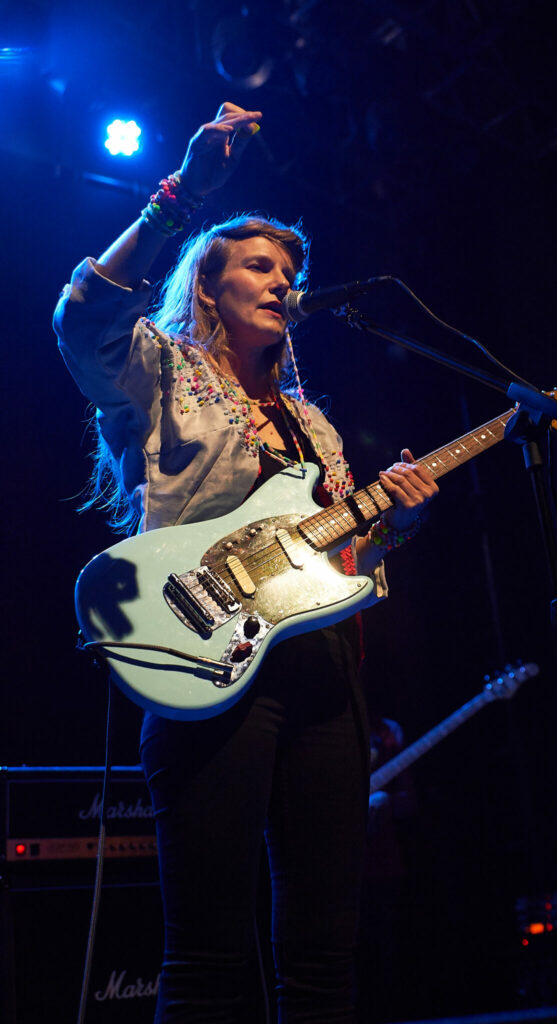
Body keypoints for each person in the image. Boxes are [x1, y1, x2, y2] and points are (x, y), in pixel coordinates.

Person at [54, 101, 439, 1023]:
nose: (283, 280)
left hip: (324, 679)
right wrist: (179, 197)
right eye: (259, 266)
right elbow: (82, 321)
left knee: (323, 959)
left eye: (291, 269)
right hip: (208, 665)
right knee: (209, 961)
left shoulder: (317, 426)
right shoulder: (166, 373)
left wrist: (395, 526)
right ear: (210, 285)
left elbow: (346, 557)